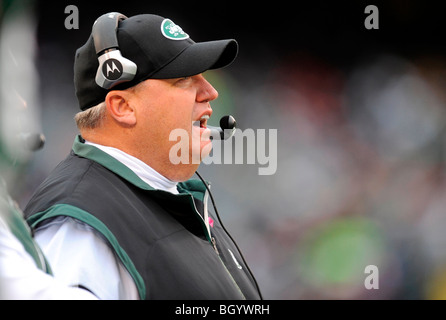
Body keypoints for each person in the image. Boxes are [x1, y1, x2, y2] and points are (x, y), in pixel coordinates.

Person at [23, 12, 262, 300]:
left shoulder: (168, 193)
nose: (210, 92)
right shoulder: (77, 226)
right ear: (123, 106)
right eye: (185, 78)